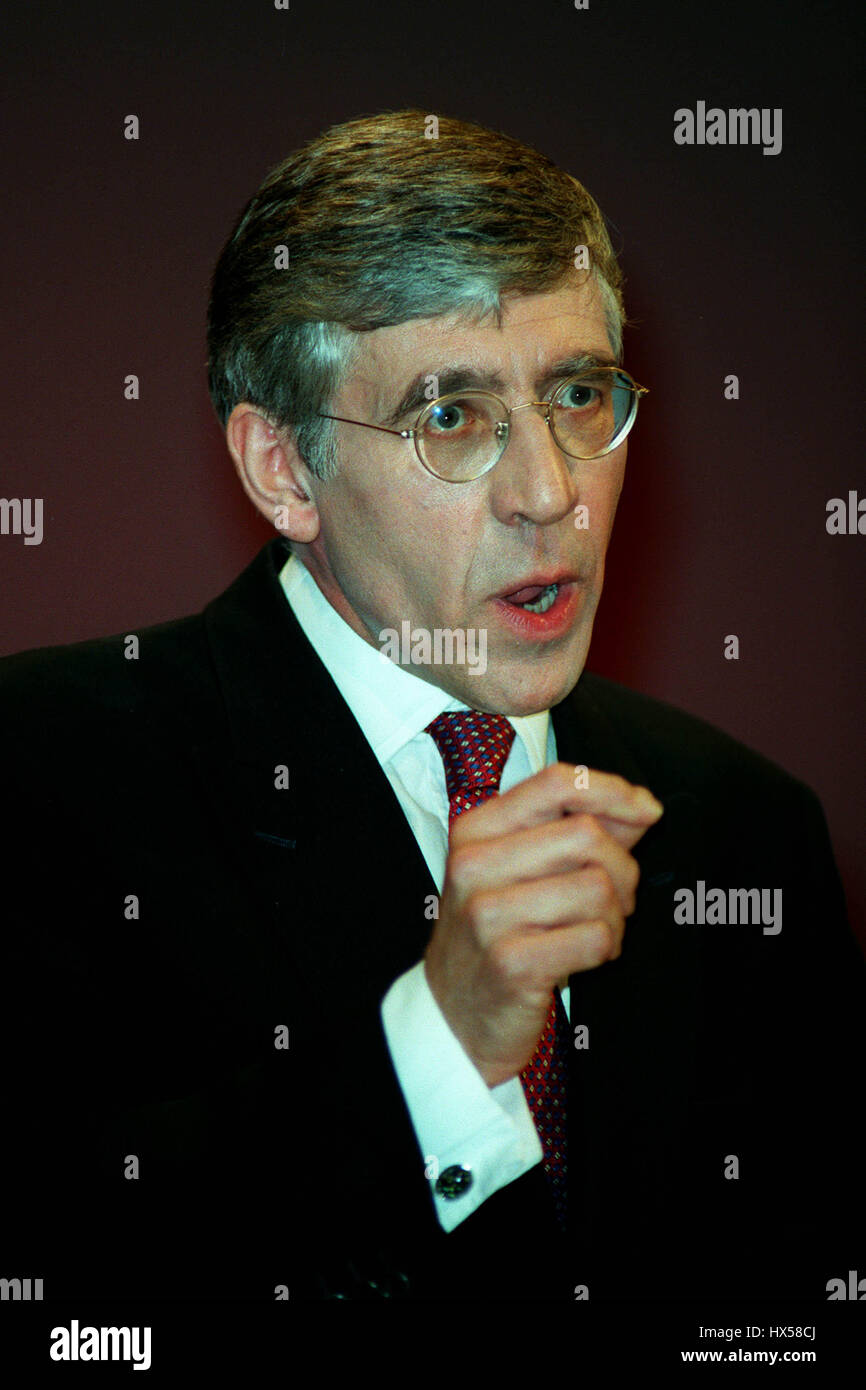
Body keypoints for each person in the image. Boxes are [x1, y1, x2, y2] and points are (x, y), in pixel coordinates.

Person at [1, 110, 863, 1304]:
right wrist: (439, 1046)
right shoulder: (43, 772)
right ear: (283, 469)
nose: (548, 493)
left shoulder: (742, 824)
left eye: (576, 393)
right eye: (449, 416)